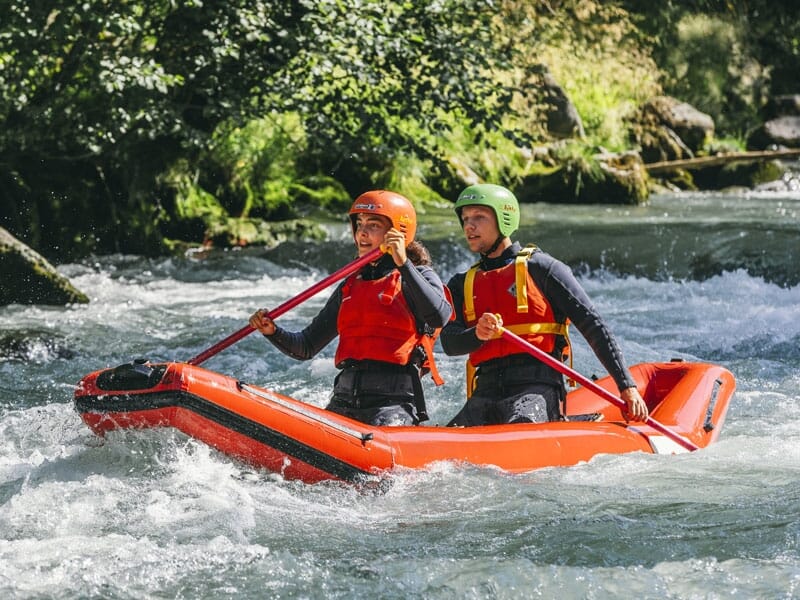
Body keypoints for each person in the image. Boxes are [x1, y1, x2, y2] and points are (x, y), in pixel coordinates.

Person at [440, 183, 649, 426]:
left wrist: (627, 387)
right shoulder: (461, 283)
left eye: (479, 217)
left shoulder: (543, 268)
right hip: (485, 391)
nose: (469, 226)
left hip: (536, 387)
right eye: (465, 218)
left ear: (504, 219)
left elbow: (593, 325)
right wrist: (476, 334)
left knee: (520, 426)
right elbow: (449, 342)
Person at [249, 190, 453, 426]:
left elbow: (439, 316)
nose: (362, 232)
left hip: (392, 405)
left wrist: (403, 263)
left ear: (399, 232)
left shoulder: (418, 276)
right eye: (359, 224)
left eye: (373, 225)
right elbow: (306, 347)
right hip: (343, 400)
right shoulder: (350, 284)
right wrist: (272, 332)